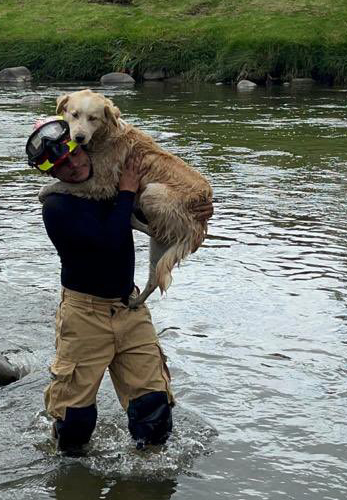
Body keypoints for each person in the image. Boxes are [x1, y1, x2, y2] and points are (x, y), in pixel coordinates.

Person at [27, 117, 213, 455]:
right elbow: (111, 242)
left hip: (129, 308)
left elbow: (161, 225)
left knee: (154, 415)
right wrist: (127, 191)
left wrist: (194, 211)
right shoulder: (57, 207)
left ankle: (146, 478)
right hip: (84, 315)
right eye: (60, 166)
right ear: (51, 175)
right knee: (75, 427)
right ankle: (70, 477)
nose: (72, 166)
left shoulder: (111, 188)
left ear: (84, 147)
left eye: (73, 155)